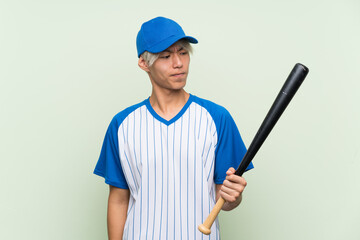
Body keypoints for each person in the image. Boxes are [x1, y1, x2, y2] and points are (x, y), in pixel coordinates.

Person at [94, 16, 254, 240]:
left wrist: (233, 198)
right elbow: (119, 199)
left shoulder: (217, 118)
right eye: (166, 56)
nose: (178, 63)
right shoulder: (122, 125)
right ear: (144, 63)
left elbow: (224, 201)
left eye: (183, 52)